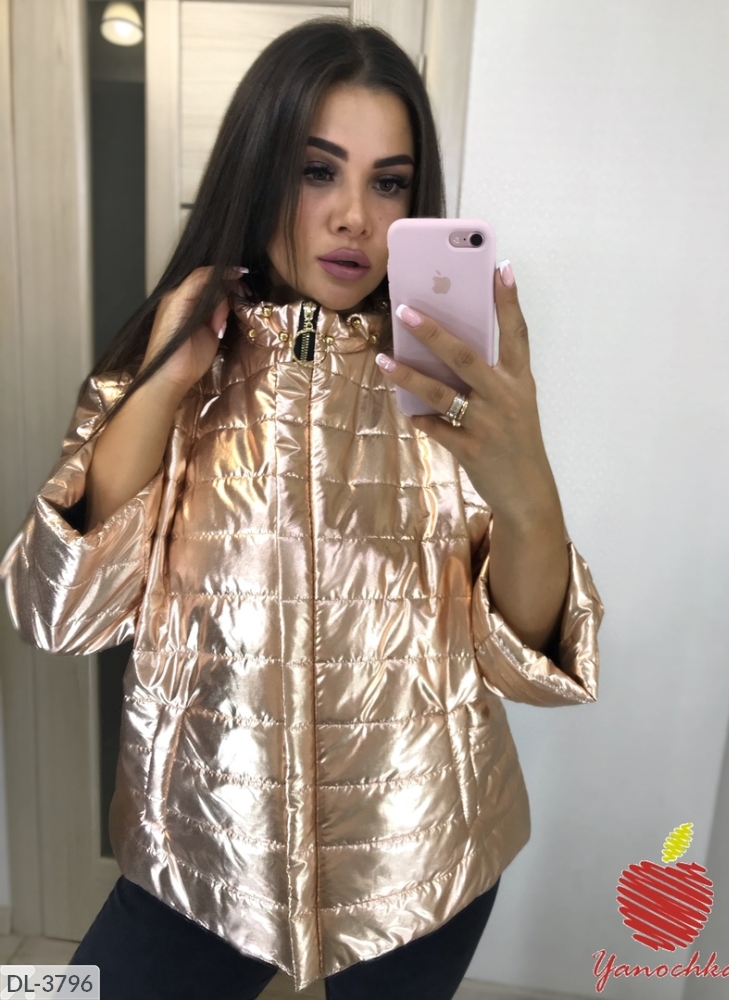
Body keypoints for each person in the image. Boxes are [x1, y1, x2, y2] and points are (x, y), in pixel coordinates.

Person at [0, 18, 604, 1000]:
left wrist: (527, 481)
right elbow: (56, 615)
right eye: (317, 170)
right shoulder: (166, 376)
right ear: (258, 170)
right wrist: (163, 380)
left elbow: (525, 671)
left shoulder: (449, 392)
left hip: (424, 858)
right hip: (197, 857)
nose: (354, 216)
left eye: (389, 182)